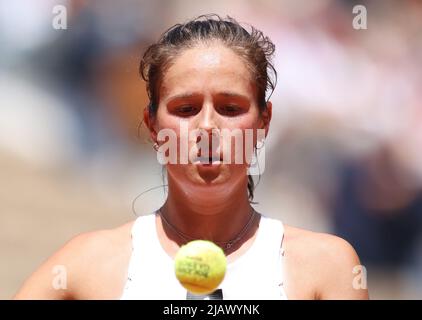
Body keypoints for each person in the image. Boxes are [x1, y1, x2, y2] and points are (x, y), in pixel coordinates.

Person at [13, 14, 368, 300]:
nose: (207, 126)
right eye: (185, 108)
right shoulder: (88, 265)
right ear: (152, 125)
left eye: (230, 108)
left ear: (264, 122)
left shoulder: (326, 268)